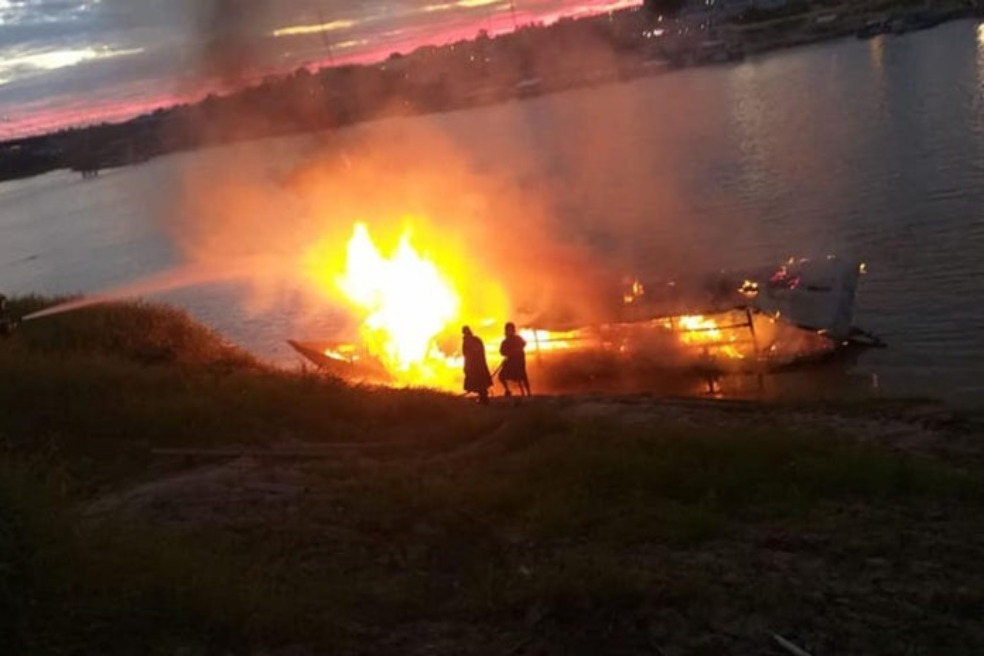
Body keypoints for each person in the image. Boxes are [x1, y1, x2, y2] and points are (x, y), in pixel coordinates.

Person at [461, 326, 492, 404]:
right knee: (479, 383)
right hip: (474, 366)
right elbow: (465, 354)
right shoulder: (470, 341)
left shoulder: (475, 340)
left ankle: (484, 399)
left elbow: (474, 352)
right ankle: (483, 398)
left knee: (480, 383)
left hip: (477, 366)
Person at [498, 322, 531, 397]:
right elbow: (502, 351)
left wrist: (517, 350)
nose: (509, 331)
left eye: (510, 329)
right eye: (508, 330)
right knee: (501, 376)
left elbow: (524, 344)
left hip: (519, 362)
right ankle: (507, 390)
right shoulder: (505, 341)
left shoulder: (517, 338)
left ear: (513, 330)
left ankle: (528, 393)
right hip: (510, 363)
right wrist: (508, 353)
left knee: (523, 376)